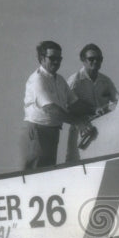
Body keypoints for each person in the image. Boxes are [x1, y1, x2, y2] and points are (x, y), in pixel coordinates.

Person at [19, 40, 85, 169]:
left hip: (53, 132)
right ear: (42, 59)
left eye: (59, 58)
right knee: (34, 176)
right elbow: (51, 109)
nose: (56, 61)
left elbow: (75, 103)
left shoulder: (59, 80)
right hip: (37, 131)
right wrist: (78, 123)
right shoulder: (37, 79)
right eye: (52, 58)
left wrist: (99, 111)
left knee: (47, 173)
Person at [66, 44, 118, 161]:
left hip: (102, 129)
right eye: (91, 59)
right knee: (74, 163)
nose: (95, 61)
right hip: (82, 129)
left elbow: (118, 101)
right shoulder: (75, 81)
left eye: (99, 59)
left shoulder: (106, 81)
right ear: (83, 61)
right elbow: (67, 107)